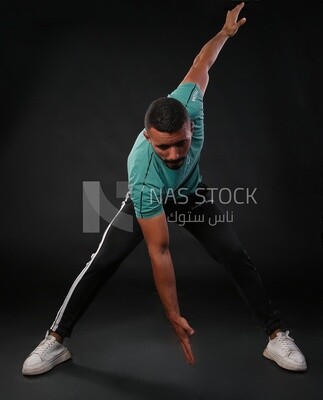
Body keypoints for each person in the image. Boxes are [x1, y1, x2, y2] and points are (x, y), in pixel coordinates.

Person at [22, 2, 307, 375]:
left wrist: (224, 34)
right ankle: (55, 340)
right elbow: (160, 251)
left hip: (190, 195)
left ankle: (276, 336)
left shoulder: (190, 101)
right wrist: (173, 315)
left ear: (191, 125)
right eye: (163, 146)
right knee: (103, 261)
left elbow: (201, 62)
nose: (174, 154)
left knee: (235, 254)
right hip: (151, 198)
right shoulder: (142, 173)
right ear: (147, 136)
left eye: (181, 143)